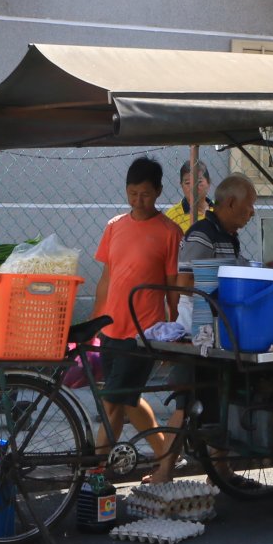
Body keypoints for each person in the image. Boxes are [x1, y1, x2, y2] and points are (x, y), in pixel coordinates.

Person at [149, 173, 259, 484]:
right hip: (197, 331)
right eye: (250, 206)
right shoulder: (202, 235)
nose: (252, 212)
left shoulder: (228, 235)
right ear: (232, 203)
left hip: (219, 330)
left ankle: (220, 470)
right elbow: (185, 284)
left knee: (218, 396)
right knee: (188, 398)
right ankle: (164, 472)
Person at [92, 156, 184, 468]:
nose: (138, 200)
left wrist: (174, 334)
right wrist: (95, 323)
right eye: (132, 193)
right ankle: (167, 456)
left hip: (142, 333)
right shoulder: (114, 227)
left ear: (158, 191)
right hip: (110, 330)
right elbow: (107, 278)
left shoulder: (170, 232)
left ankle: (93, 470)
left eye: (144, 194)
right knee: (127, 401)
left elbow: (174, 289)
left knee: (112, 402)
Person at [164, 159, 213, 232]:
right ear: (181, 185)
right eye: (187, 183)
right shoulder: (172, 217)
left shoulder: (219, 211)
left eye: (199, 181)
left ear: (209, 183)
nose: (193, 187)